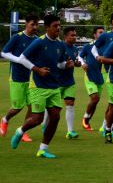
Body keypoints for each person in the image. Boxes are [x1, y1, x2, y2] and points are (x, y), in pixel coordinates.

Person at [10, 14, 74, 158]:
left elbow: (58, 64)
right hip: (38, 86)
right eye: (55, 26)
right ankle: (20, 131)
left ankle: (43, 149)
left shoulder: (60, 45)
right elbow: (22, 58)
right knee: (37, 119)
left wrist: (66, 65)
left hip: (54, 86)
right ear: (47, 27)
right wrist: (37, 70)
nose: (58, 28)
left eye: (59, 26)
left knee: (55, 117)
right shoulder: (39, 42)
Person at [84, 11, 113, 132]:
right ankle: (107, 128)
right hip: (110, 73)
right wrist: (97, 57)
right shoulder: (105, 36)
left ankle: (105, 126)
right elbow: (94, 48)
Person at [0, 14, 39, 142]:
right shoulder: (17, 38)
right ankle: (5, 120)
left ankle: (23, 131)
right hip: (17, 78)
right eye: (32, 24)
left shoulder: (37, 40)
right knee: (17, 108)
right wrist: (19, 60)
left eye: (37, 24)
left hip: (32, 79)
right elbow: (4, 52)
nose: (35, 27)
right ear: (26, 24)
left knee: (32, 107)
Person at [79, 26, 105, 131]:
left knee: (95, 101)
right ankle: (85, 118)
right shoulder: (88, 46)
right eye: (100, 32)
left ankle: (87, 121)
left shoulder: (104, 47)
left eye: (103, 32)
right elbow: (80, 56)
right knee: (95, 98)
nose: (102, 34)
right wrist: (83, 63)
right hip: (89, 75)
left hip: (99, 76)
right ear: (94, 35)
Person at [59, 27, 81, 138]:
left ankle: (70, 131)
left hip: (69, 82)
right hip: (56, 82)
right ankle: (45, 126)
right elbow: (54, 63)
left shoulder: (75, 49)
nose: (74, 37)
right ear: (66, 36)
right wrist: (65, 65)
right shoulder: (59, 47)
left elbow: (73, 62)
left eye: (75, 35)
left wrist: (77, 64)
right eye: (72, 35)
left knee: (70, 105)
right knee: (52, 108)